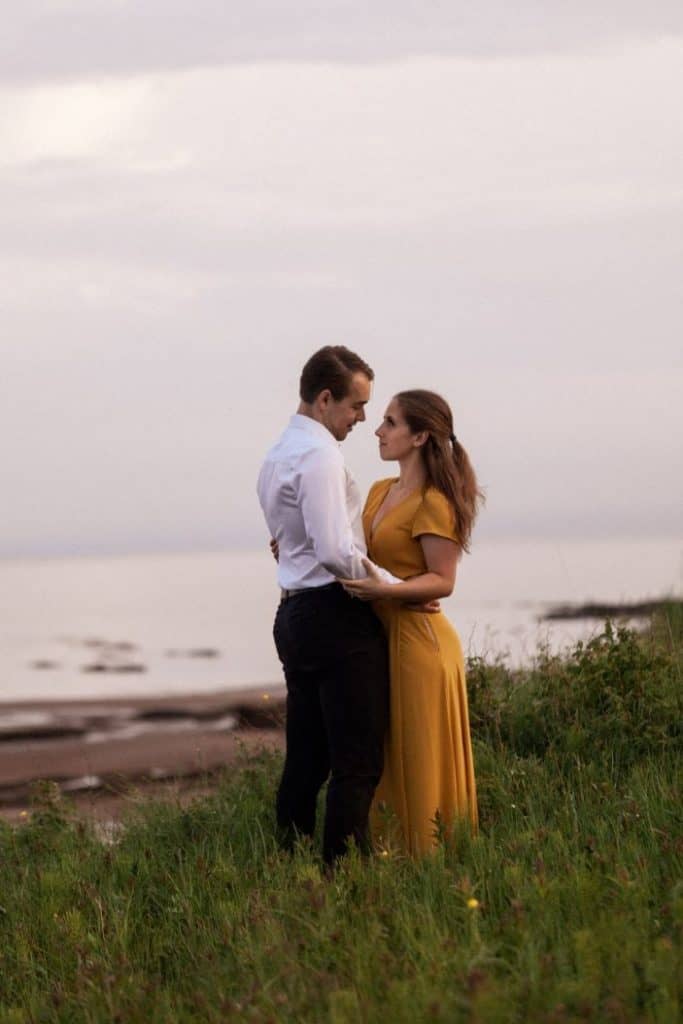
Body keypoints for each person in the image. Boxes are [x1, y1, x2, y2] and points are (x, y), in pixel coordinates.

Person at [257, 345, 397, 866]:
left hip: (293, 613)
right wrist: (389, 585)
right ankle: (345, 879)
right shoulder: (318, 455)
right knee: (357, 764)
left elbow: (288, 540)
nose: (362, 418)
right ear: (323, 399)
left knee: (308, 760)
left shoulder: (276, 455)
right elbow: (335, 551)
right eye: (356, 406)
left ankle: (290, 863)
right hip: (333, 615)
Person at [339, 389, 482, 856]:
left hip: (420, 646)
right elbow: (353, 552)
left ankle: (430, 864)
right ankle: (392, 862)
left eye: (390, 422)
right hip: (381, 640)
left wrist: (388, 592)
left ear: (420, 435)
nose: (377, 430)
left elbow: (442, 580)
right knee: (385, 757)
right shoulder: (381, 490)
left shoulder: (436, 501)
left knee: (419, 757)